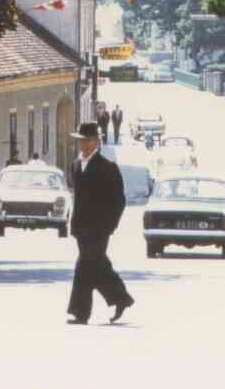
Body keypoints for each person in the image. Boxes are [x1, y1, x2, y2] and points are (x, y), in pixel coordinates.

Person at [66, 122, 134, 325]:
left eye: (88, 141)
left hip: (99, 229)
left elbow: (119, 201)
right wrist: (74, 224)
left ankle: (80, 313)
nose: (84, 145)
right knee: (97, 266)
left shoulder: (107, 167)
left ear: (96, 142)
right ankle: (121, 298)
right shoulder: (75, 166)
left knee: (83, 266)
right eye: (81, 141)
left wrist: (109, 226)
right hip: (81, 228)